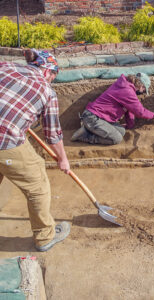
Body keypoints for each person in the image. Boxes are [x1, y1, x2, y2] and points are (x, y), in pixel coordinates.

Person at [0, 49, 71, 252]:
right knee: (37, 184)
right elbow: (52, 134)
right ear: (48, 71)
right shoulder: (48, 92)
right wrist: (62, 159)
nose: (51, 82)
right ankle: (45, 236)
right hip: (4, 139)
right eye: (53, 77)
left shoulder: (7, 66)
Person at [71, 73, 154, 145]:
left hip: (100, 117)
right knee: (116, 138)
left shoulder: (125, 85)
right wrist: (153, 115)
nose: (142, 93)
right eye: (144, 90)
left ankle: (88, 129)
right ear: (141, 86)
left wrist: (129, 125)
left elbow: (130, 110)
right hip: (93, 118)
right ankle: (85, 135)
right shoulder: (127, 91)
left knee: (121, 131)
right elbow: (139, 111)